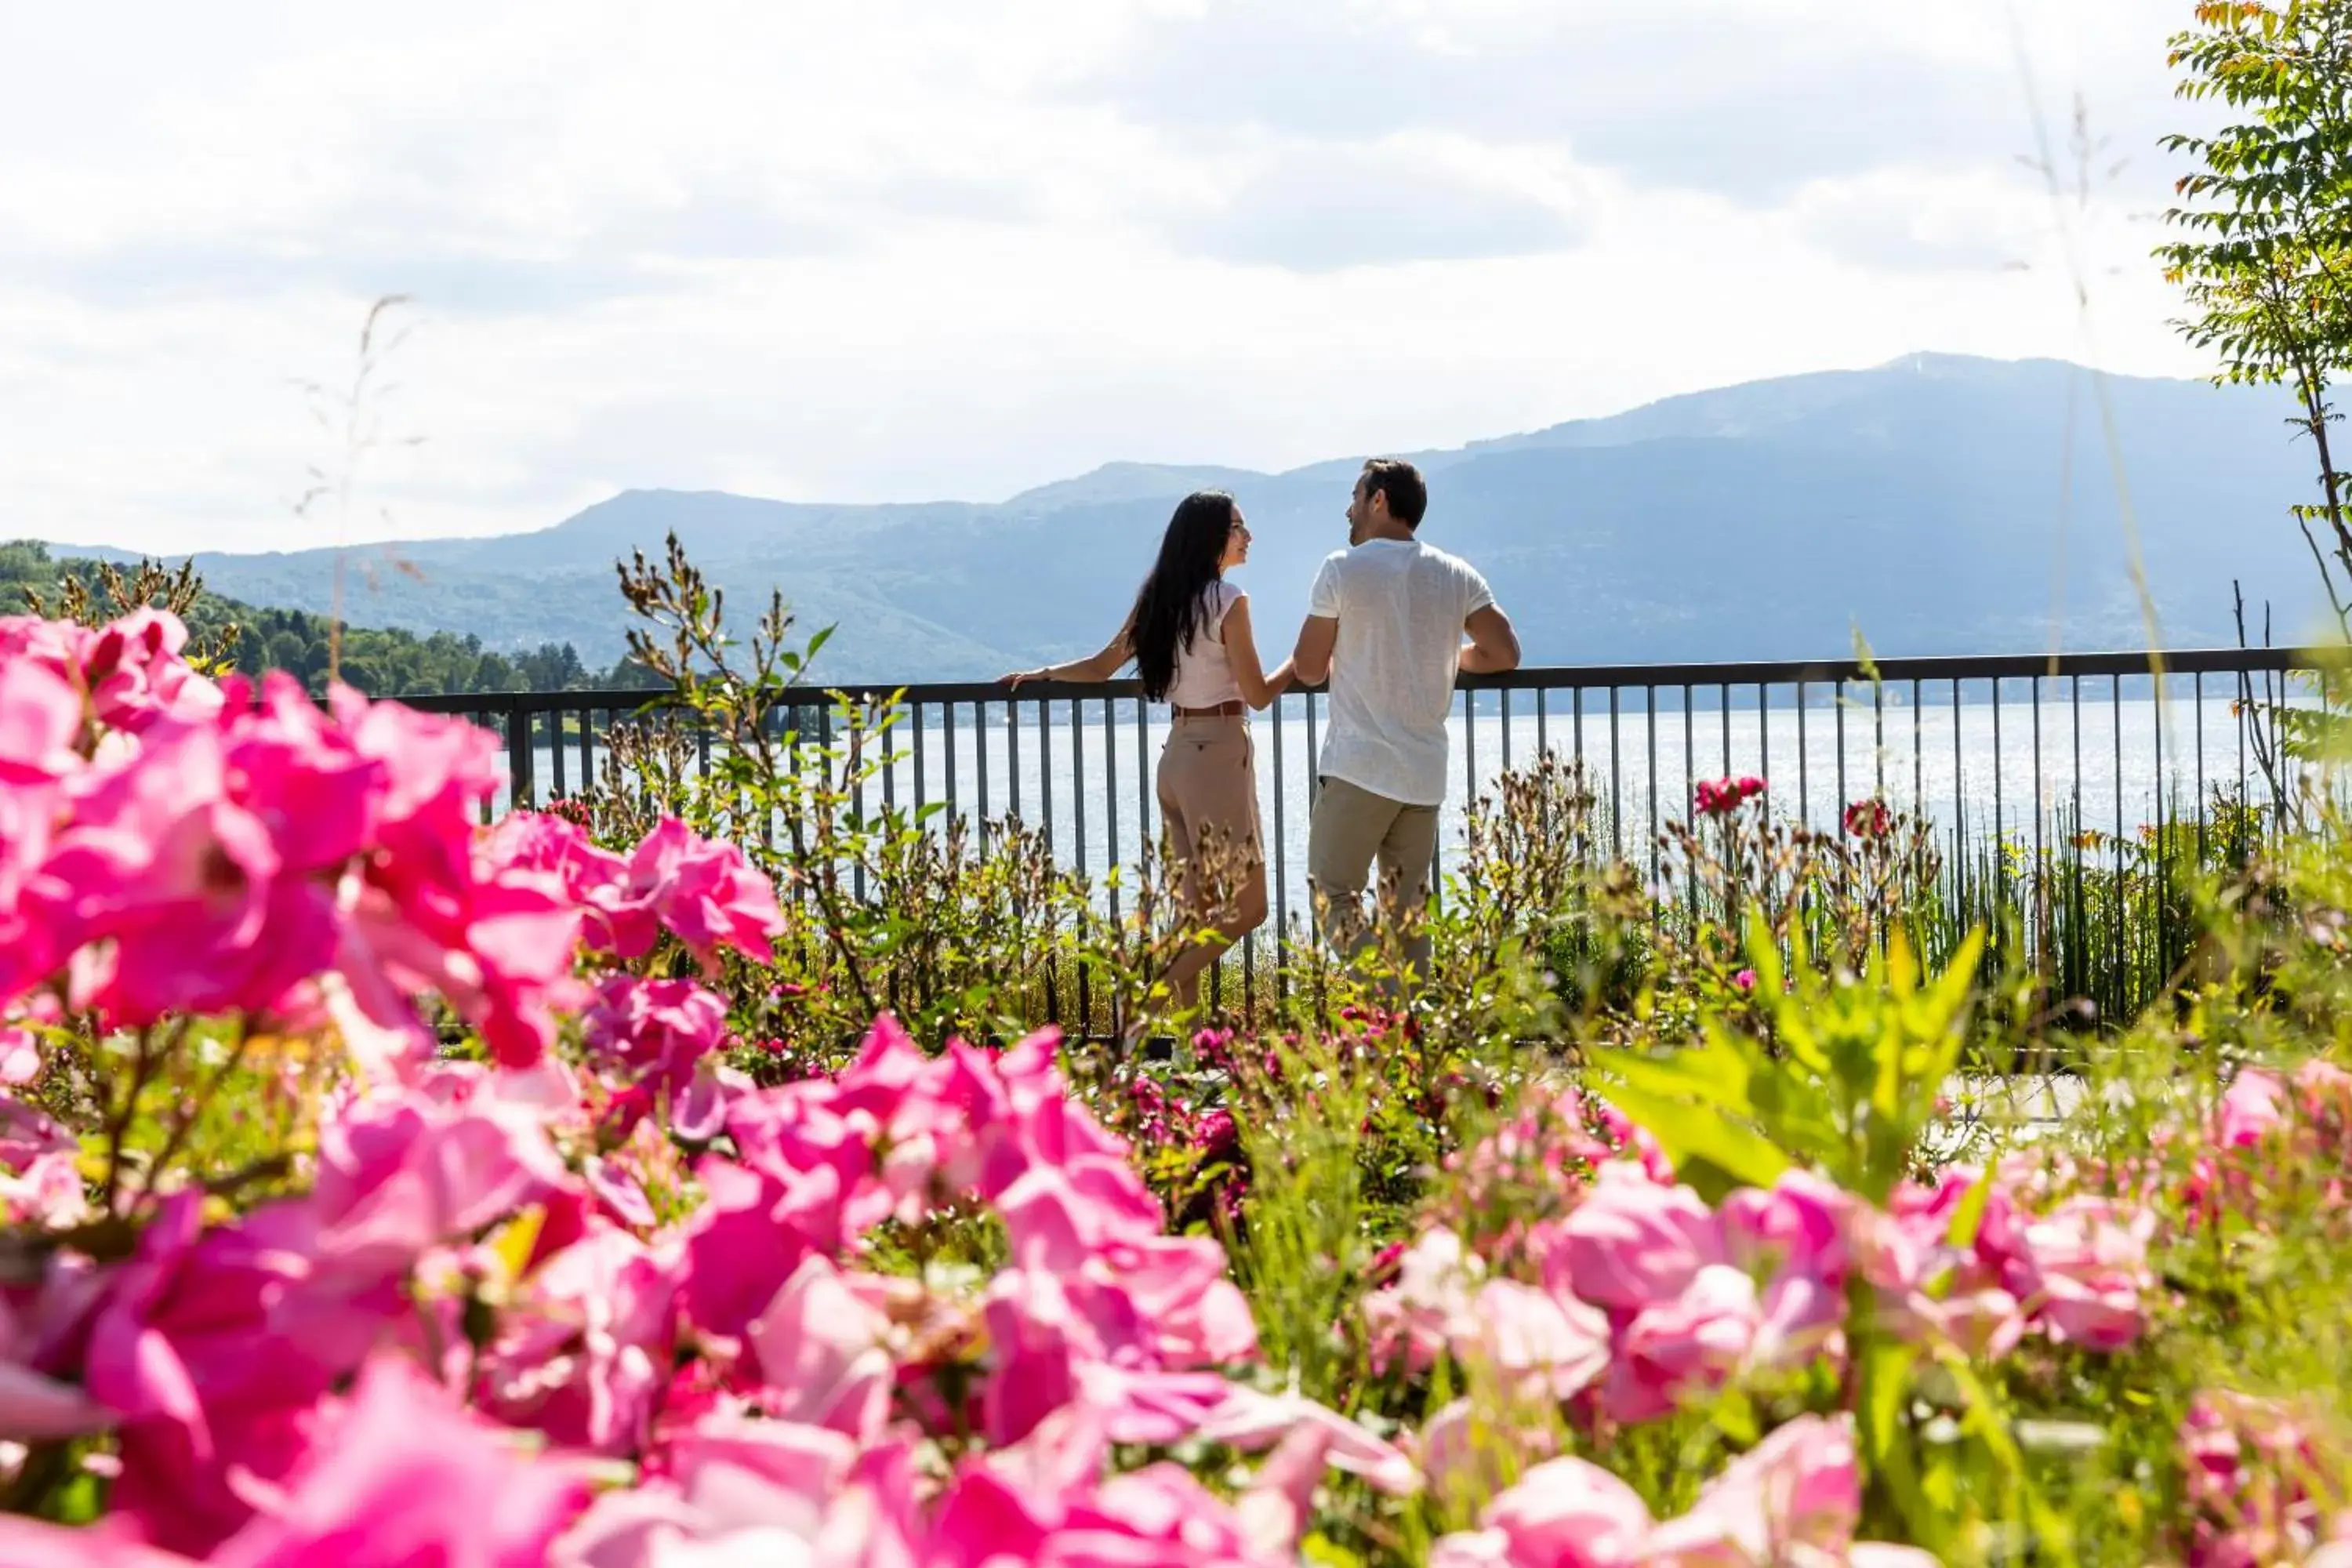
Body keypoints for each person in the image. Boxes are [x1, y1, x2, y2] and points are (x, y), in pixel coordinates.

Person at [1003, 489, 1292, 1021]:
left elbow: (1099, 666)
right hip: (1218, 755)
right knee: (1249, 909)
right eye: (1238, 527)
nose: (1248, 537)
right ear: (1211, 537)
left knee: (1193, 917)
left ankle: (1183, 1062)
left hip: (1177, 759)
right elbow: (1257, 693)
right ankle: (1142, 995)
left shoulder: (1161, 600)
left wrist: (1043, 673)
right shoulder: (1229, 601)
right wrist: (1303, 660)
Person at [1287, 457, 1519, 989]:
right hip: (1422, 774)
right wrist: (1445, 657)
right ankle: (1417, 1041)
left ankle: (1394, 1007)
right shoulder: (1455, 573)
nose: (1348, 508)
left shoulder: (1342, 569)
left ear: (1378, 500)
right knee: (1408, 914)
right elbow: (1504, 651)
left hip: (1358, 767)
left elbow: (1306, 667)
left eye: (1355, 495)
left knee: (1331, 892)